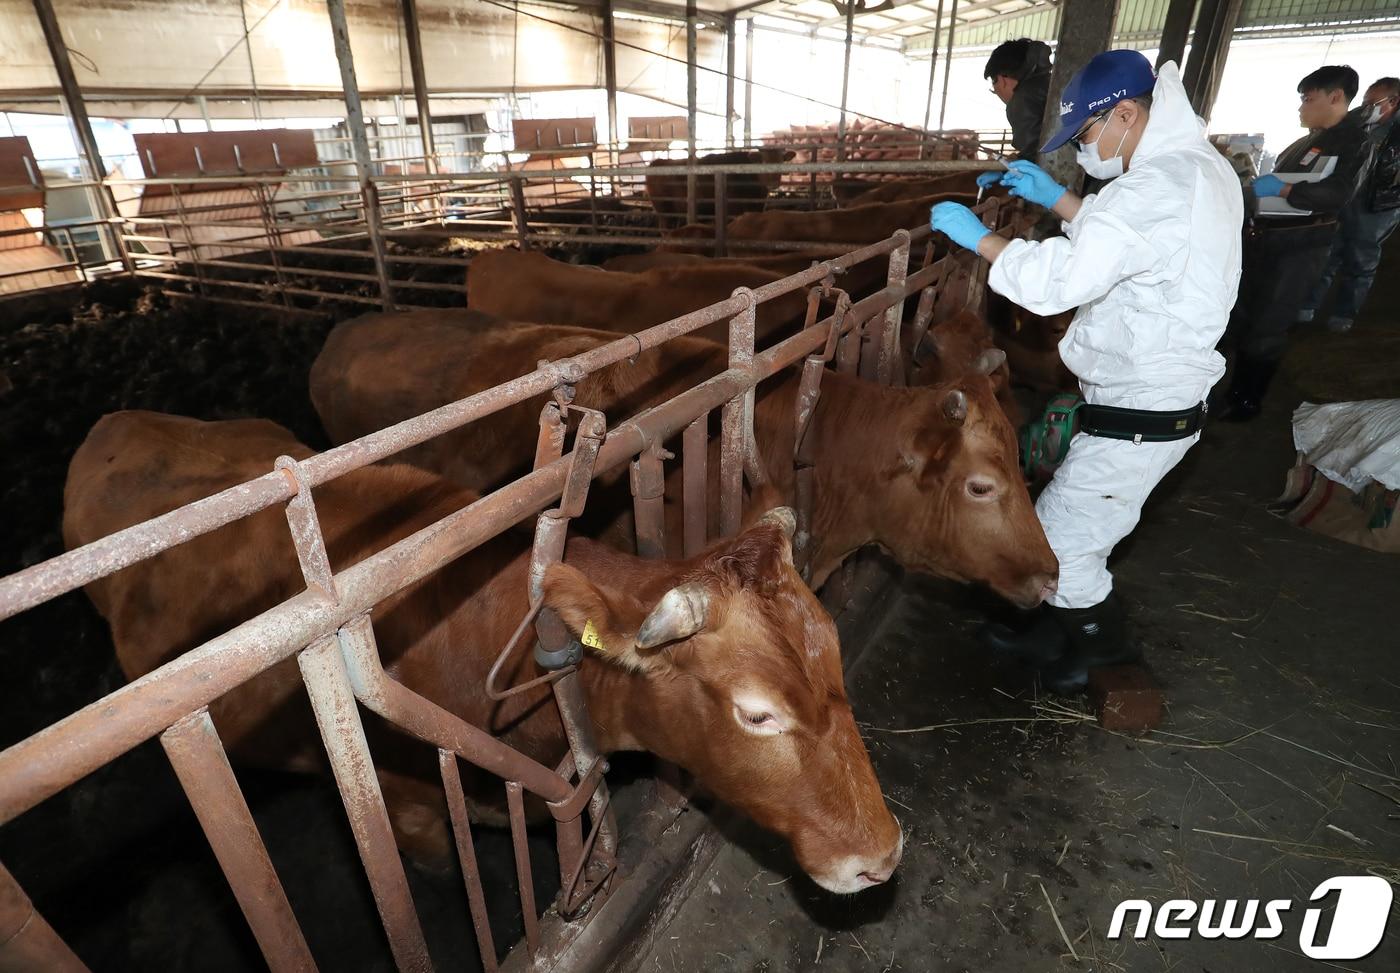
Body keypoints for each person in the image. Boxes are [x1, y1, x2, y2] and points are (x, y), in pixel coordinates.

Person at [929, 51, 1243, 694]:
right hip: (1148, 394)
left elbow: (1062, 280)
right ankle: (1053, 634)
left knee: (1068, 545)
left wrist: (981, 242)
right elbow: (1132, 241)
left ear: (1126, 113)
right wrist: (1064, 201)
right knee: (1059, 524)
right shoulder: (1192, 170)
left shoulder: (1157, 185)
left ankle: (1103, 652)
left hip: (1146, 404)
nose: (1084, 149)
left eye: (1085, 134)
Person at [1220, 65, 1371, 421]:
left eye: (1308, 98)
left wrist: (1285, 189)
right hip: (1265, 243)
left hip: (1301, 249)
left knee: (1270, 322)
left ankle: (1247, 401)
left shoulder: (1356, 142)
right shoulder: (1306, 141)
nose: (1301, 107)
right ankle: (1230, 390)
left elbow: (1338, 192)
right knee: (1242, 317)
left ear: (1336, 97)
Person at [1297, 77, 1400, 333]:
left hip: (1377, 204)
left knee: (1361, 259)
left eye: (1372, 103)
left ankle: (1343, 316)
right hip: (1346, 197)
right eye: (1365, 101)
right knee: (1328, 252)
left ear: (1394, 101)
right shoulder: (1355, 123)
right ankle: (1307, 309)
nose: (1366, 107)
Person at [984, 39, 1054, 162]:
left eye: (994, 87)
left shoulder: (1022, 99)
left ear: (1001, 80)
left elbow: (1035, 156)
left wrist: (1017, 163)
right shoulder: (1049, 83)